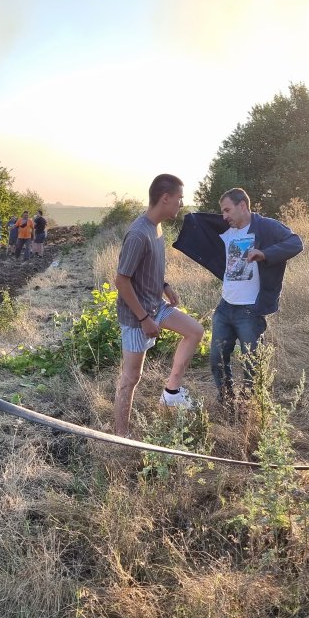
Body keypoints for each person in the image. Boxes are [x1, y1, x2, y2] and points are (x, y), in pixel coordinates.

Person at [173, 187, 303, 410]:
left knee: (252, 362)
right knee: (217, 360)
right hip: (224, 307)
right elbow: (198, 224)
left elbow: (295, 243)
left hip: (250, 311)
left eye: (227, 210)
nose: (224, 216)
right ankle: (227, 402)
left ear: (243, 205)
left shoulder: (265, 226)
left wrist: (264, 254)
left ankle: (250, 405)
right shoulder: (226, 230)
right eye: (222, 212)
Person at [113, 174, 205, 437]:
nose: (181, 204)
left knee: (195, 331)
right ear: (165, 198)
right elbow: (122, 280)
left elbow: (147, 268)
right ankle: (122, 436)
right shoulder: (138, 234)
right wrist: (143, 319)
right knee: (131, 379)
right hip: (136, 316)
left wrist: (165, 286)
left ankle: (171, 393)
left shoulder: (157, 228)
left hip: (156, 305)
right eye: (179, 199)